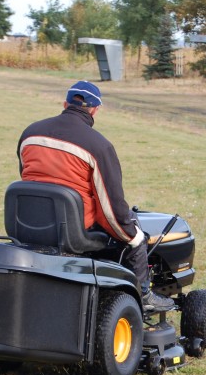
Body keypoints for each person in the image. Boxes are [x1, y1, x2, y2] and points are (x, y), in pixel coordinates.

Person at [17, 80, 174, 312]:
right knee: (134, 232)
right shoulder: (98, 146)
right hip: (74, 230)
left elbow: (27, 177)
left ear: (65, 104)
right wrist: (131, 235)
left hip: (28, 223)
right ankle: (143, 294)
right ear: (94, 110)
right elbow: (111, 207)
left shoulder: (30, 134)